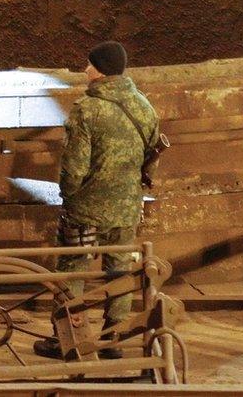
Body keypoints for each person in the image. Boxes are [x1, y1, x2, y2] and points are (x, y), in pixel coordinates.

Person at [33, 40, 159, 360]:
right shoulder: (144, 107)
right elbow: (152, 158)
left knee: (73, 270)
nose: (85, 69)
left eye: (89, 65)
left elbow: (74, 166)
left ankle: (69, 339)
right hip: (127, 209)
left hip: (86, 211)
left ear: (100, 70)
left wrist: (69, 195)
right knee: (119, 271)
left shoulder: (87, 109)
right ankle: (113, 339)